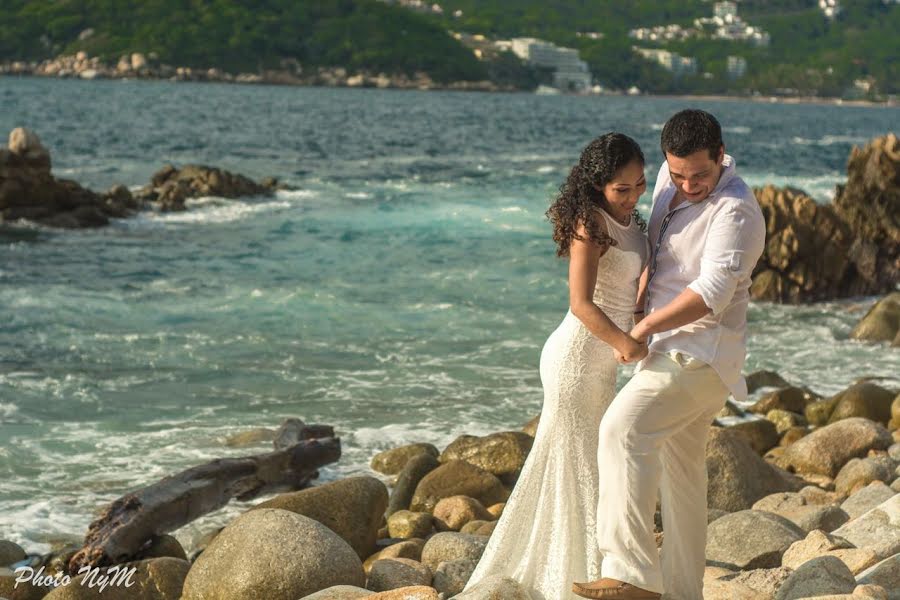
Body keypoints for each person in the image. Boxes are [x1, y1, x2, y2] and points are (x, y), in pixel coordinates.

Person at [572, 109, 766, 600]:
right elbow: (658, 251)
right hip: (672, 349)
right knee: (683, 477)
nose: (688, 184)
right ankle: (684, 593)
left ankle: (631, 574)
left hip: (699, 354)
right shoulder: (667, 175)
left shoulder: (735, 211)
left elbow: (712, 292)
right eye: (678, 173)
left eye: (700, 174)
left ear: (721, 156)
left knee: (621, 430)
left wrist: (643, 325)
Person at [460, 132, 650, 600]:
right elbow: (582, 303)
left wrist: (645, 320)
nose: (632, 197)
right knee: (576, 462)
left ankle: (596, 567)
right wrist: (627, 342)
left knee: (592, 460)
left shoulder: (632, 222)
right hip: (576, 359)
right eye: (621, 190)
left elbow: (632, 288)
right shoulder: (591, 225)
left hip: (602, 361)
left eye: (639, 185)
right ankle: (572, 575)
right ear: (597, 186)